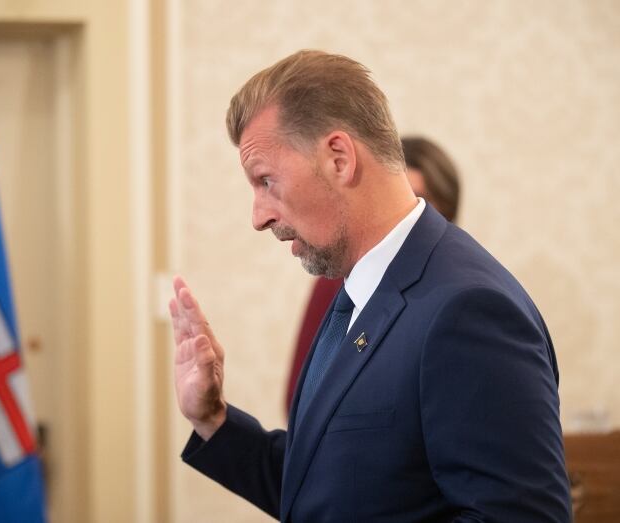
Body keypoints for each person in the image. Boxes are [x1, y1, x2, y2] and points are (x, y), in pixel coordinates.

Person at [169, 50, 571, 522]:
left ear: (339, 158)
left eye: (266, 181)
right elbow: (327, 489)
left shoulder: (468, 310)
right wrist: (213, 419)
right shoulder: (358, 290)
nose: (259, 216)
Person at [286, 136, 462, 414]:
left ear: (446, 211)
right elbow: (299, 400)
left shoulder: (464, 296)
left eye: (421, 200)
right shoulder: (333, 285)